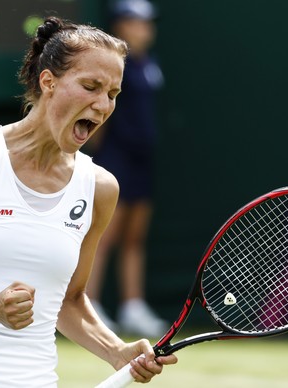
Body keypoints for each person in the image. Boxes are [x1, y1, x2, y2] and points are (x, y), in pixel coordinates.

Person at [0, 16, 177, 387]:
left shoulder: (100, 188)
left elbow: (69, 298)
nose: (103, 105)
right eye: (90, 86)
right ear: (48, 81)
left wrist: (114, 350)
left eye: (112, 94)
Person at [86, 0, 167, 338]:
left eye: (148, 22)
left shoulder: (150, 64)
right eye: (136, 22)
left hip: (142, 160)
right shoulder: (112, 66)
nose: (145, 28)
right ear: (120, 25)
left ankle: (132, 306)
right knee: (103, 236)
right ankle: (88, 305)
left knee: (134, 237)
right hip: (114, 159)